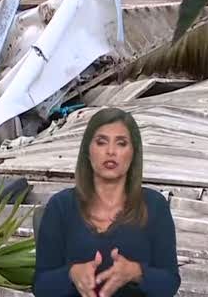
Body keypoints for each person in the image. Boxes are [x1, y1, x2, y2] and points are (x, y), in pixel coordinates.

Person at [34, 108, 180, 296]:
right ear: (88, 151)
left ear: (133, 153)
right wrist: (71, 274)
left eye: (121, 143)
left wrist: (137, 272)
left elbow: (170, 282)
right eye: (101, 142)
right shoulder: (61, 206)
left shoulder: (154, 206)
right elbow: (41, 286)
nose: (111, 152)